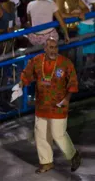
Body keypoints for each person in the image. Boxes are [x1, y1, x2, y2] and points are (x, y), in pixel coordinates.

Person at [17, 35, 80, 173]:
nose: (53, 50)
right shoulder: (36, 61)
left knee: (58, 134)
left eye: (55, 47)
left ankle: (73, 155)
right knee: (41, 134)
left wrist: (67, 99)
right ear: (45, 48)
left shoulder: (65, 63)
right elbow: (27, 74)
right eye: (51, 47)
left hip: (58, 106)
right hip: (41, 105)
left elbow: (73, 82)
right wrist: (21, 84)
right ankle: (46, 162)